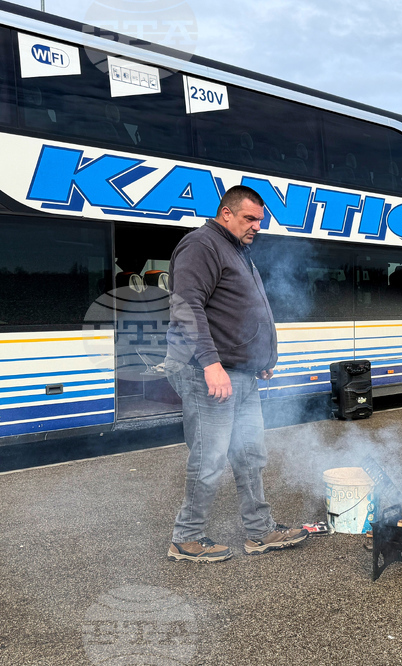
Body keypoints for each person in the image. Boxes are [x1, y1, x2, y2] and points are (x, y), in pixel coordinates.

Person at [164, 185, 307, 562]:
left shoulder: (238, 251)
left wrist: (261, 358)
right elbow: (186, 306)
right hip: (207, 372)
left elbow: (240, 310)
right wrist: (211, 363)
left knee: (249, 454)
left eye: (260, 220)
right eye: (249, 218)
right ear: (225, 213)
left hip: (241, 374)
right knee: (209, 458)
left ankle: (260, 532)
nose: (256, 226)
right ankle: (187, 538)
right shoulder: (202, 245)